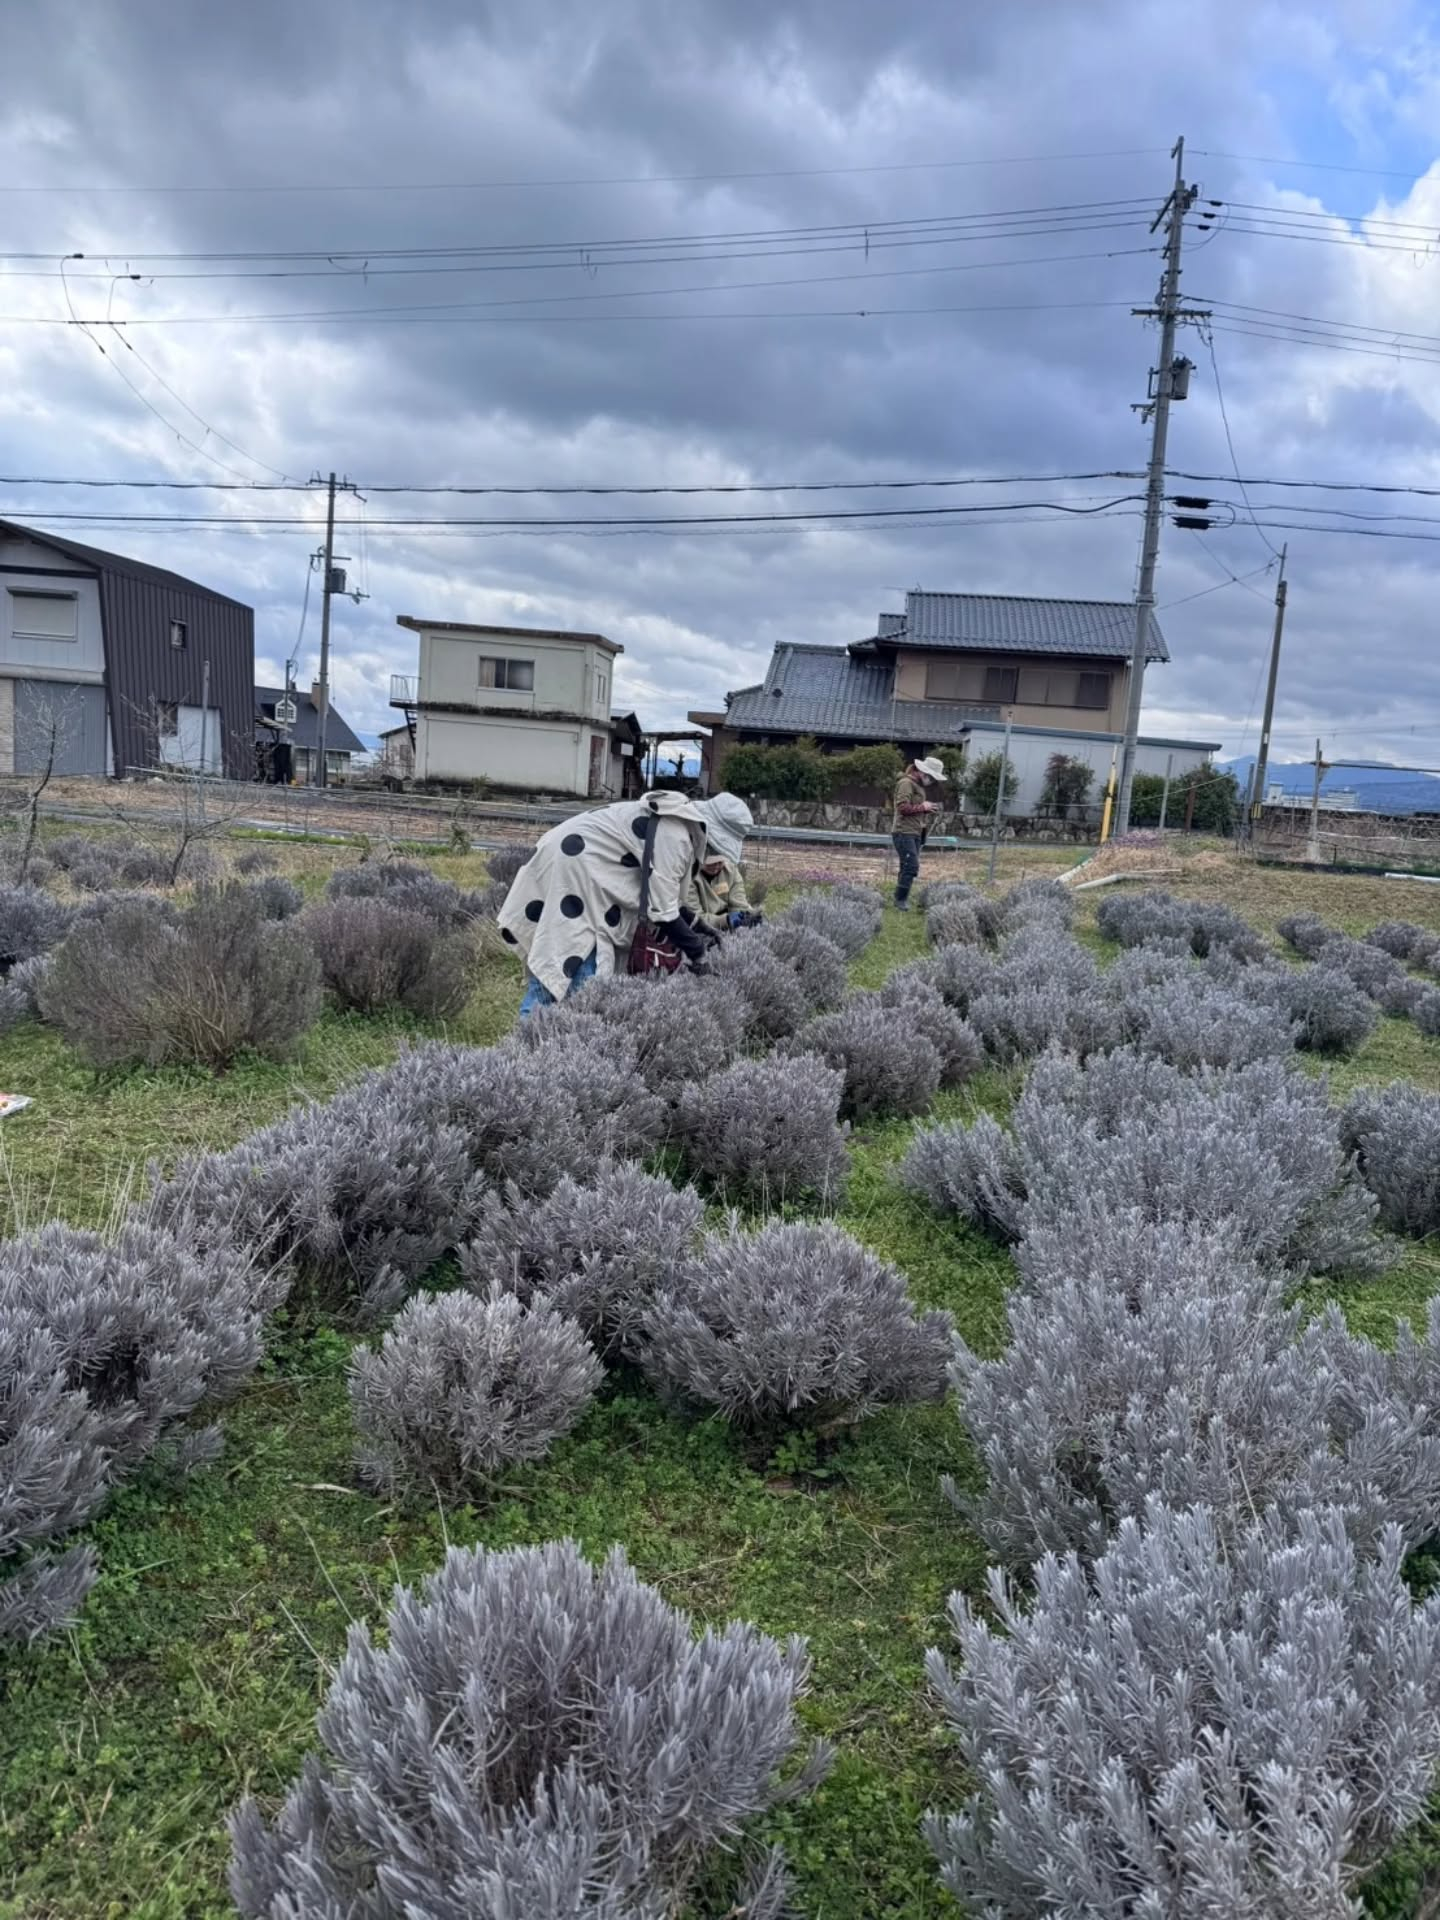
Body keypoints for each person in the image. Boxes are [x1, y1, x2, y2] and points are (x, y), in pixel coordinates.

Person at [498, 788, 729, 1019]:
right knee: (574, 962)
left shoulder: (674, 823)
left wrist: (699, 926)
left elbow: (664, 897)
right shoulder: (676, 836)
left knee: (562, 958)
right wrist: (698, 952)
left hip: (579, 872)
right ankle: (534, 1036)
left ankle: (535, 1035)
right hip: (580, 877)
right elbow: (663, 913)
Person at [685, 793, 759, 931]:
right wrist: (725, 920)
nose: (717, 866)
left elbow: (739, 904)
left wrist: (747, 916)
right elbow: (693, 918)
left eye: (721, 861)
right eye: (712, 862)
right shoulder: (688, 874)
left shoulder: (731, 872)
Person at [891, 755, 945, 910]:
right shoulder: (906, 783)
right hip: (903, 832)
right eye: (932, 778)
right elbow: (902, 808)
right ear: (923, 772)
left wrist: (926, 810)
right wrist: (923, 807)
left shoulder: (917, 786)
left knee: (906, 866)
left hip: (914, 832)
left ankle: (899, 899)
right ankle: (901, 900)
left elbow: (913, 808)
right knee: (911, 866)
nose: (933, 782)